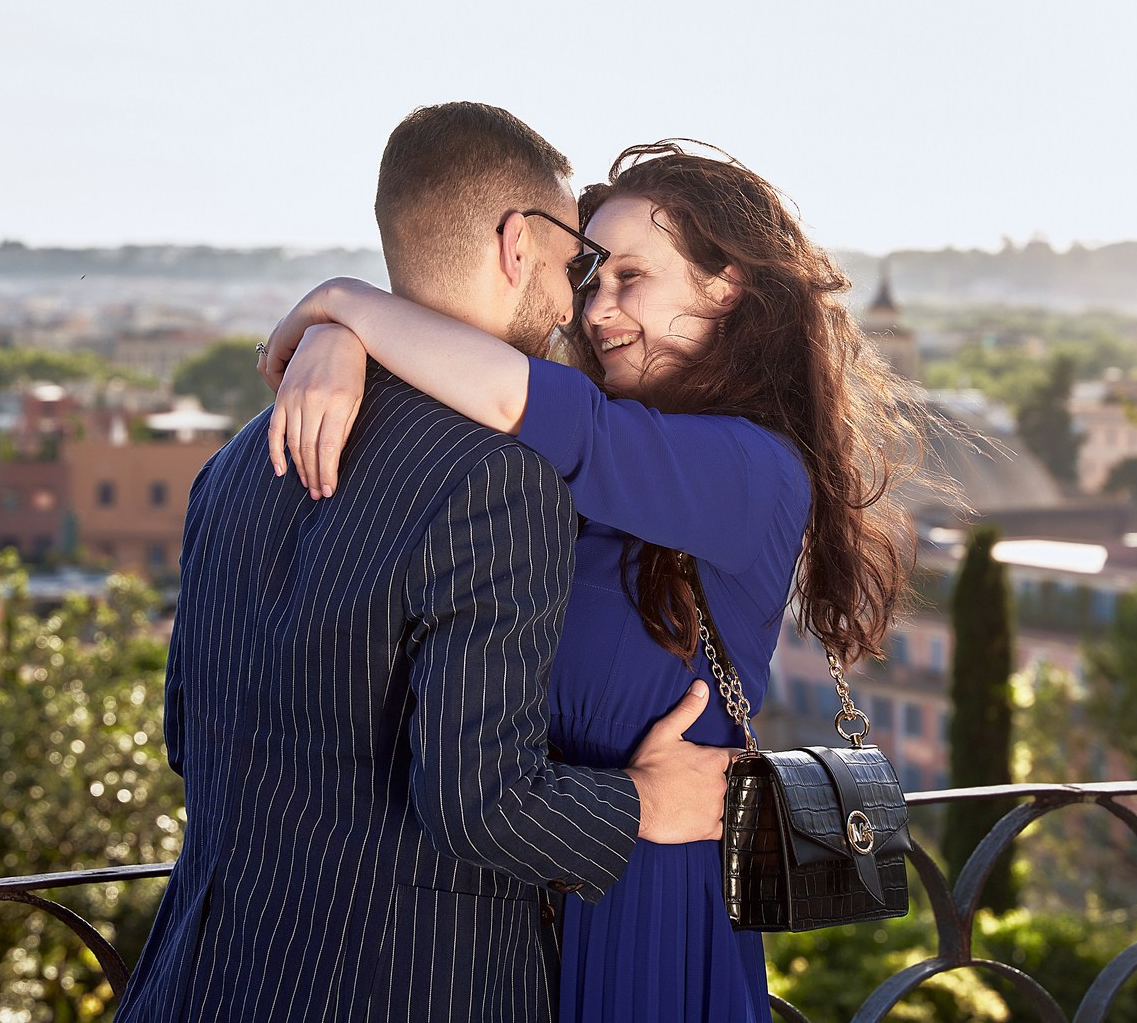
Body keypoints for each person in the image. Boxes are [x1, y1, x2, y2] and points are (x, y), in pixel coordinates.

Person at [259, 141, 927, 1023]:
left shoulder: (748, 467)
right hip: (527, 884)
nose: (599, 306)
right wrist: (343, 345)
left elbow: (516, 398)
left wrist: (342, 304)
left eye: (631, 277)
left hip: (649, 890)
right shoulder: (604, 448)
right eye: (590, 276)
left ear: (725, 284)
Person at [115, 105, 735, 1023]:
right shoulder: (499, 479)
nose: (575, 304)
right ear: (515, 244)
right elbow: (480, 801)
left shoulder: (238, 459)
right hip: (407, 987)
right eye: (574, 263)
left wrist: (337, 322)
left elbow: (185, 734)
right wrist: (644, 801)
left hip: (201, 980)